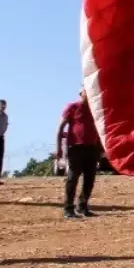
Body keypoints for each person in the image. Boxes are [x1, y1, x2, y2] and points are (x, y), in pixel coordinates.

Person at [57, 89, 102, 219]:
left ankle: (82, 206)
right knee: (73, 177)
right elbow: (60, 127)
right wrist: (59, 147)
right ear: (81, 93)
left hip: (91, 147)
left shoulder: (95, 110)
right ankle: (68, 208)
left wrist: (99, 149)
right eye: (86, 90)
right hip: (75, 147)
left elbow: (98, 129)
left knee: (90, 178)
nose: (89, 93)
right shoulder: (73, 107)